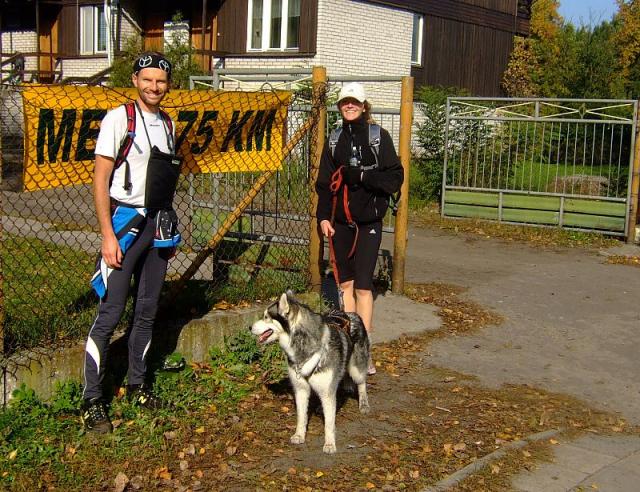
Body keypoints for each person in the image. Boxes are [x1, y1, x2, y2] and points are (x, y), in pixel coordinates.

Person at [81, 52, 181, 433]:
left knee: (147, 310)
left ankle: (137, 385)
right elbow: (100, 180)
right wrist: (108, 235)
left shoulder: (168, 123)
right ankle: (92, 400)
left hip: (157, 226)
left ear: (167, 84)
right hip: (125, 225)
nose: (154, 87)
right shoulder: (118, 119)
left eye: (161, 81)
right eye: (147, 79)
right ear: (135, 80)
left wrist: (168, 228)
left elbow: (163, 179)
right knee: (110, 314)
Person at [315, 82, 403, 375]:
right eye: (344, 102)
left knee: (364, 286)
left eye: (354, 102)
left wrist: (363, 177)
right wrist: (323, 218)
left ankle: (364, 352)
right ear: (340, 106)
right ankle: (349, 348)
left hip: (368, 223)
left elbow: (394, 179)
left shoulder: (379, 137)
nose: (349, 106)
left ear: (364, 106)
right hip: (340, 224)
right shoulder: (334, 139)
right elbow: (324, 184)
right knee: (345, 286)